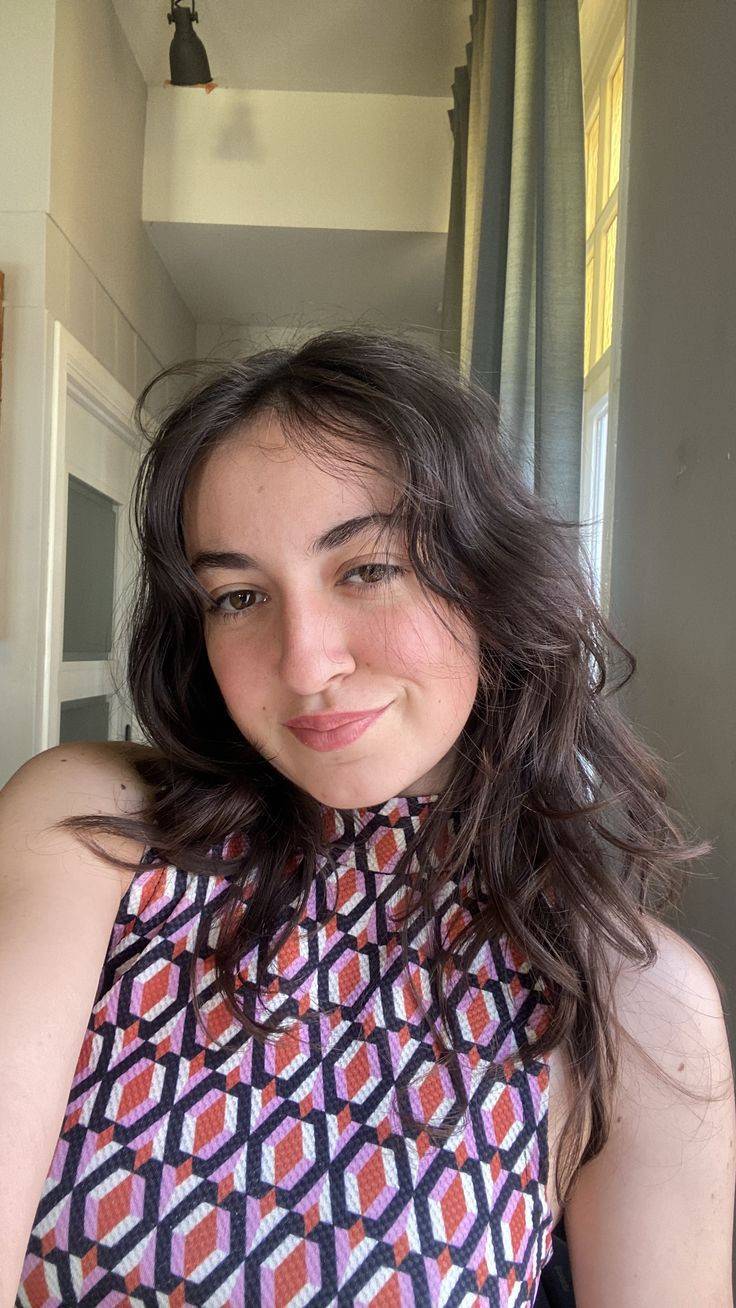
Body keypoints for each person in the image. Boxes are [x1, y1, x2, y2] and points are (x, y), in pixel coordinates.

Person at [1, 330, 733, 1307]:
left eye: (369, 569)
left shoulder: (633, 1002)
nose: (305, 662)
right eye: (239, 596)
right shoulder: (97, 825)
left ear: (489, 578)